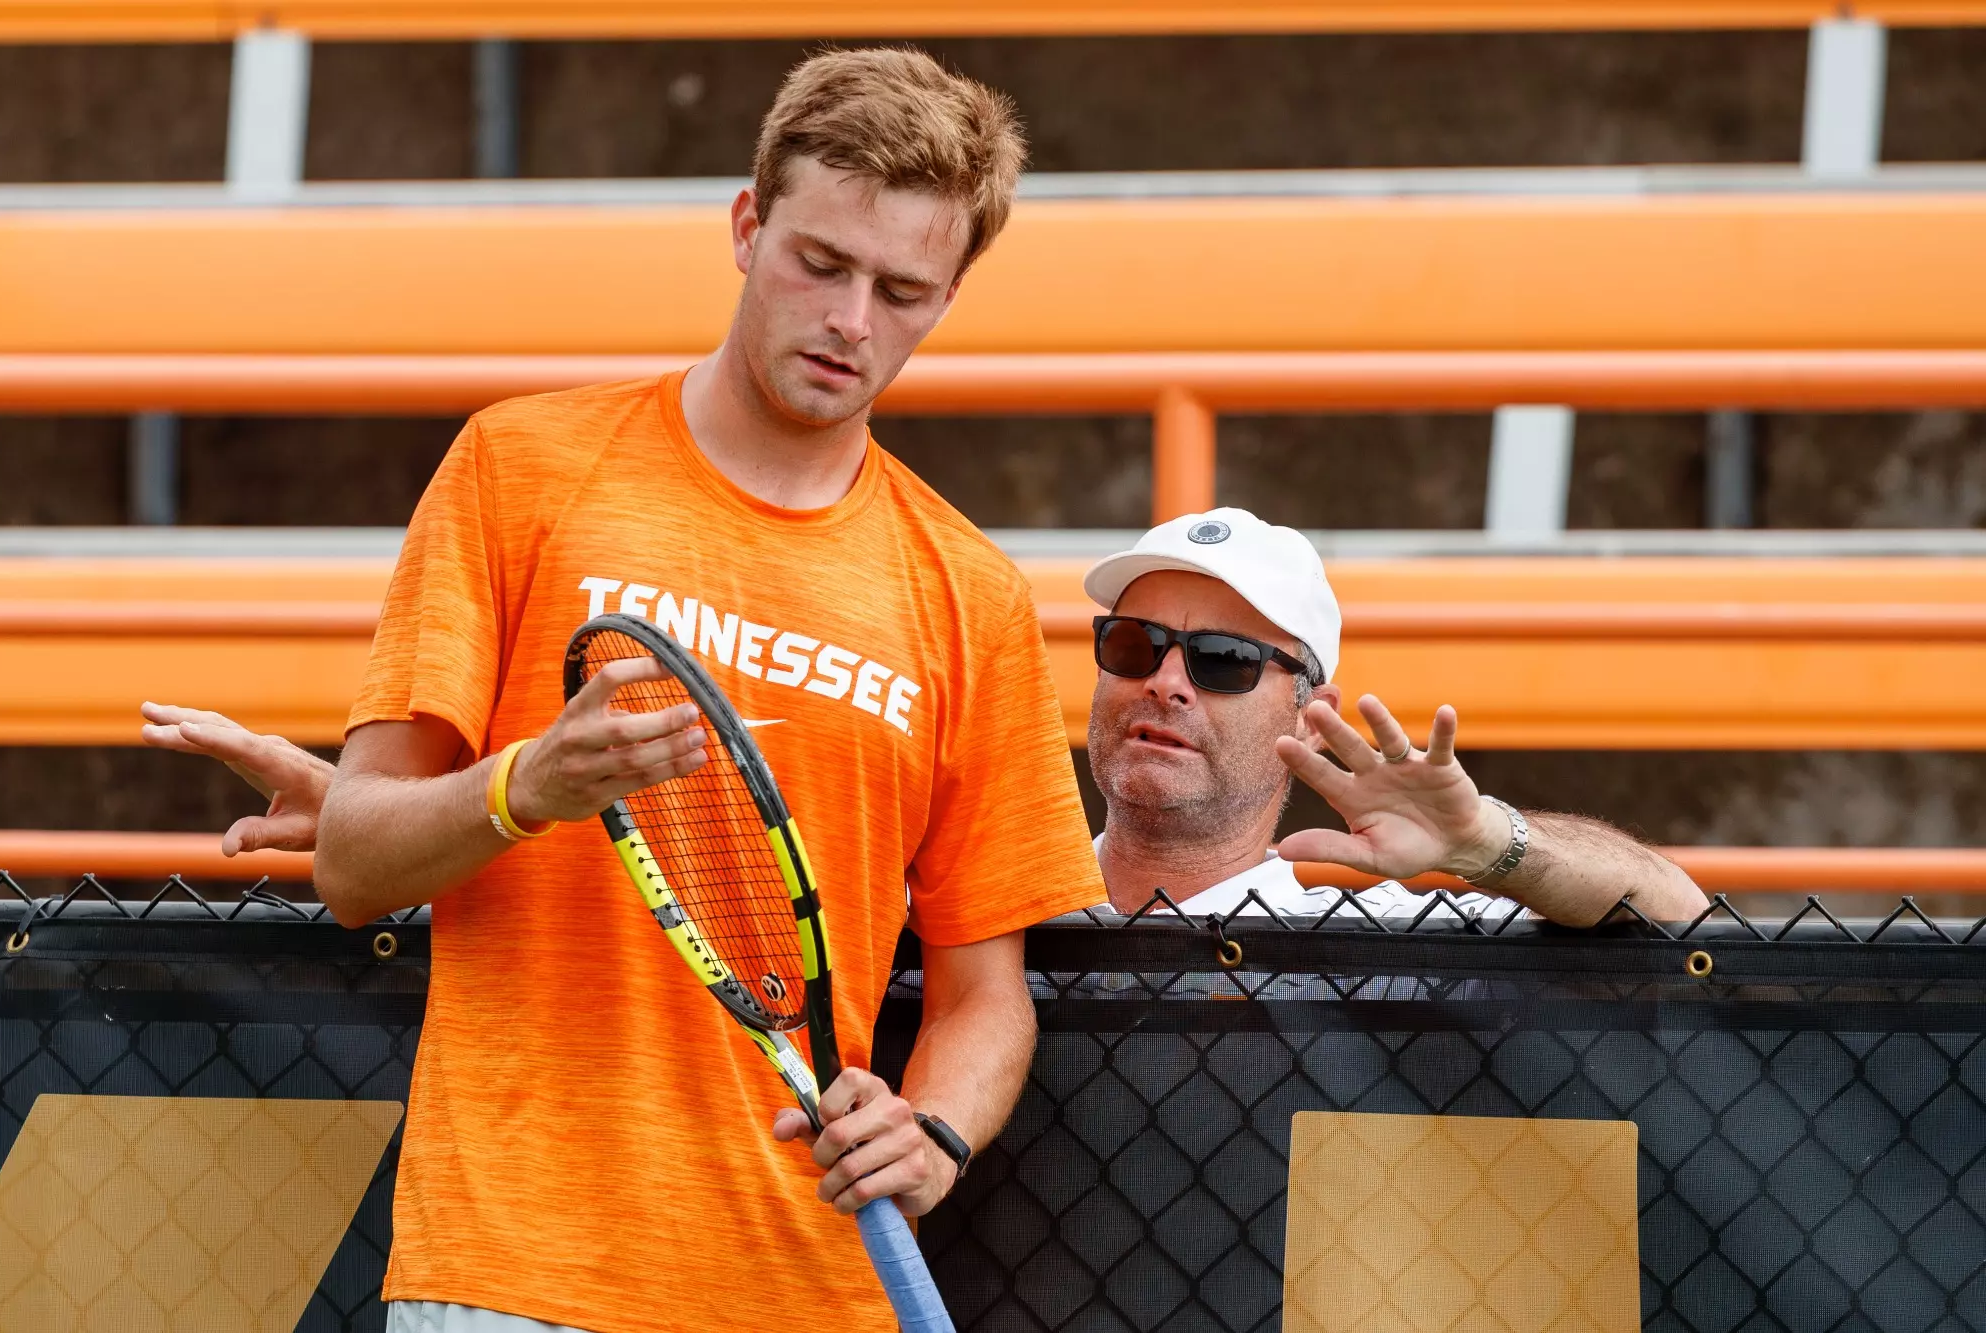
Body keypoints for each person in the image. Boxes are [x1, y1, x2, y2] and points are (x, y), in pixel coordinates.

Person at [152, 48, 1107, 1333]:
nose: (850, 323)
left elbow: (984, 995)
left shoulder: (970, 591)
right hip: (515, 1270)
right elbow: (355, 863)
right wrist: (529, 783)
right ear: (744, 225)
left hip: (810, 1286)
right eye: (819, 264)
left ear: (947, 297)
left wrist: (934, 1128)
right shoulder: (520, 466)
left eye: (901, 291)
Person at [1084, 507, 1709, 926]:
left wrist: (1485, 843)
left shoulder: (1379, 939)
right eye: (1133, 644)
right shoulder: (997, 916)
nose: (1166, 683)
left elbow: (1677, 914)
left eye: (1225, 659)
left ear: (1309, 718)